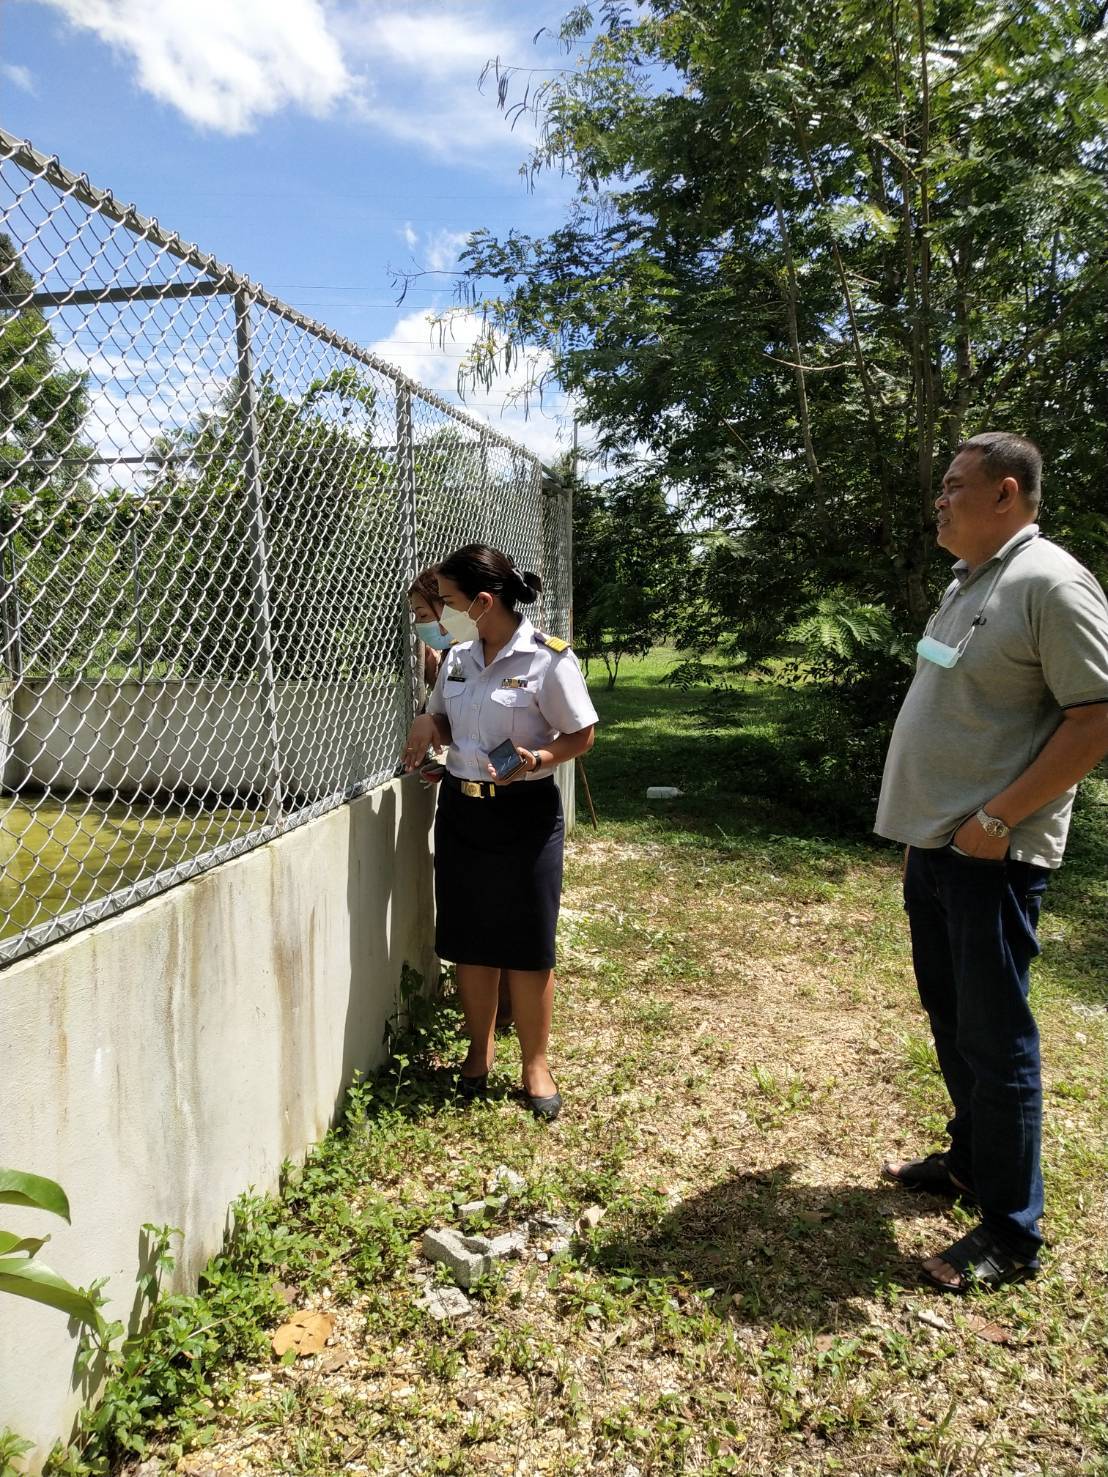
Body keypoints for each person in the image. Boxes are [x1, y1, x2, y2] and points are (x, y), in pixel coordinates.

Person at [874, 432, 1108, 1293]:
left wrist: (1000, 816)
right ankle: (971, 1160)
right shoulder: (974, 581)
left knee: (996, 1034)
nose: (938, 500)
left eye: (953, 486)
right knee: (952, 1013)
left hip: (990, 854)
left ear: (1006, 493)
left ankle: (1012, 1231)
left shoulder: (1052, 582)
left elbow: (1097, 716)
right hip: (938, 845)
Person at [401, 544, 598, 1120]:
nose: (444, 613)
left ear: (484, 602)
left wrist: (535, 759)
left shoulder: (548, 660)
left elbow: (580, 734)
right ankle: (479, 1047)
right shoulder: (460, 657)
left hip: (525, 818)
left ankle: (535, 1062)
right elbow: (446, 717)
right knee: (469, 938)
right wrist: (425, 720)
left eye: (452, 602)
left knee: (528, 942)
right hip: (463, 813)